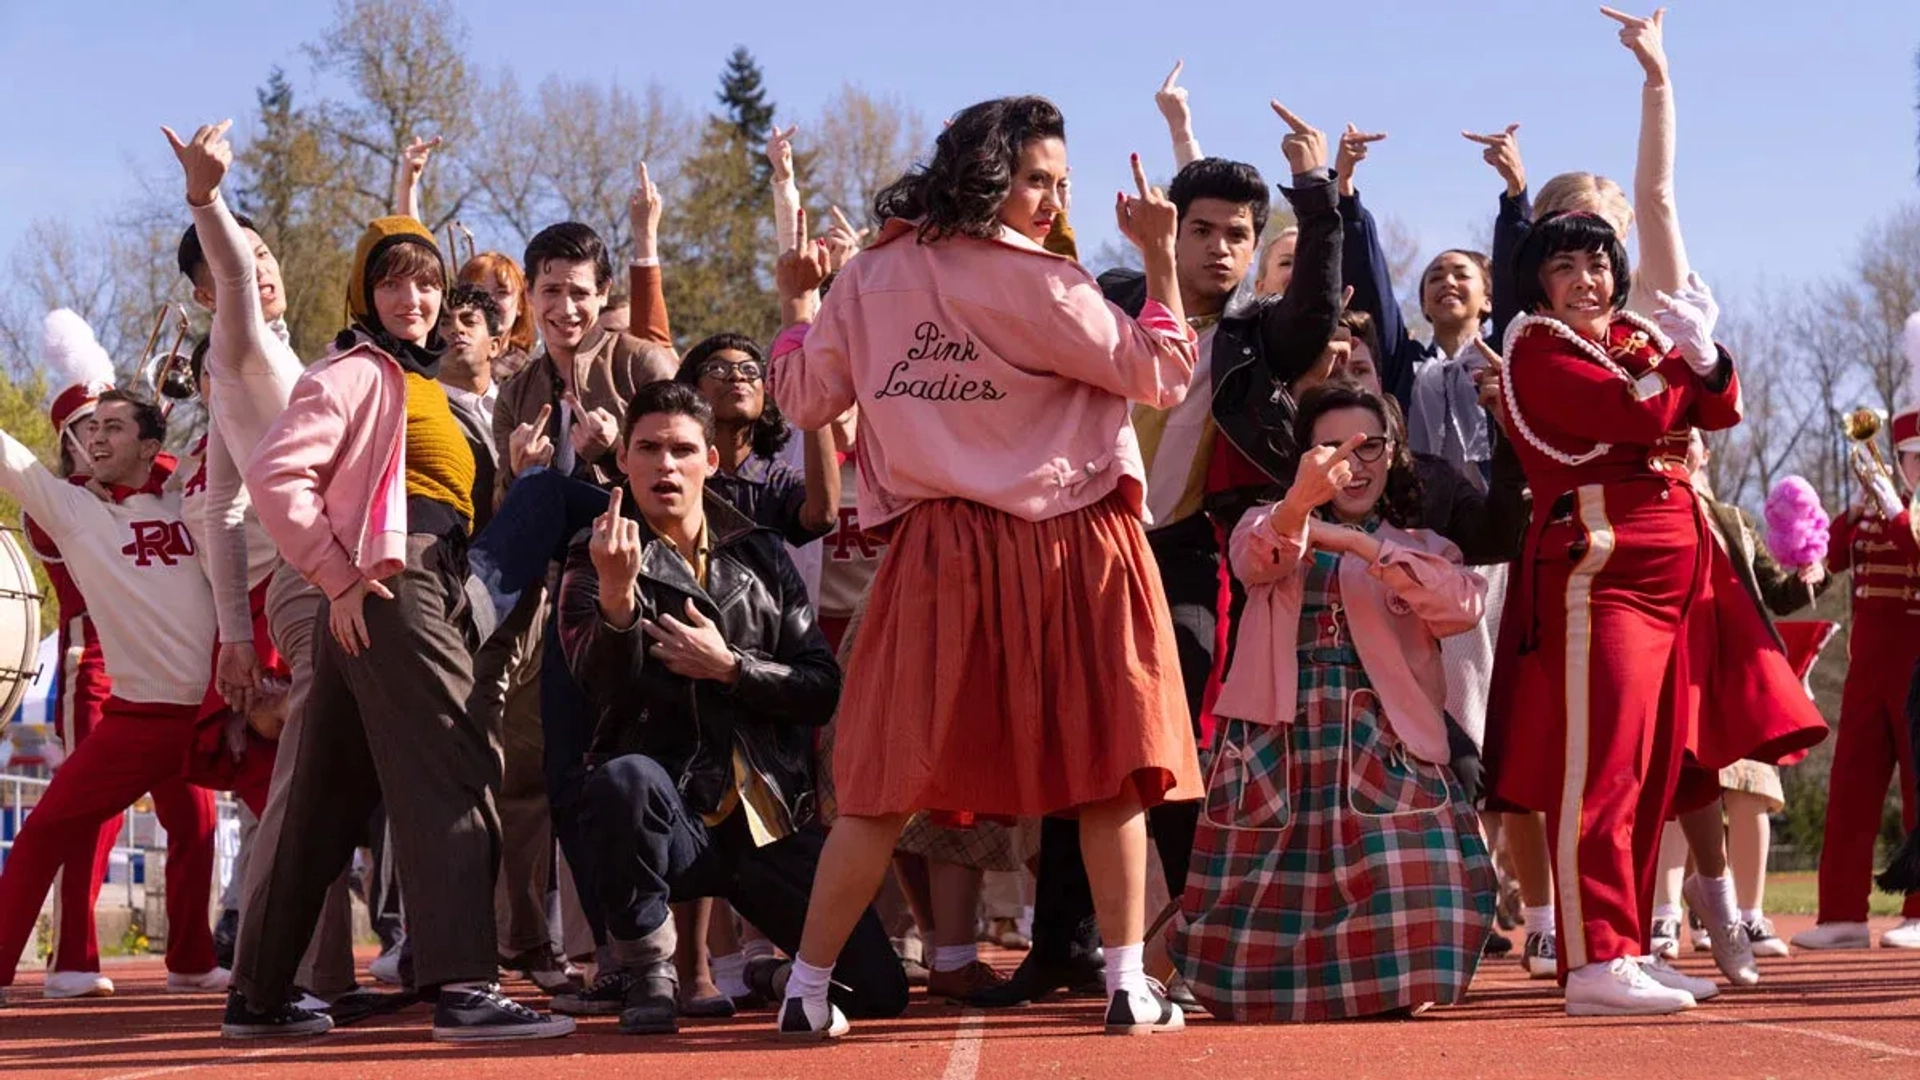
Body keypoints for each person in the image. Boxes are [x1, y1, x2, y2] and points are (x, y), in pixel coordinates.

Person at [767, 94, 1203, 1039]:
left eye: (1060, 183)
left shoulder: (870, 275)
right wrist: (1162, 259)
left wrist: (799, 307)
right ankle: (1128, 985)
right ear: (989, 172)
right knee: (1111, 765)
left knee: (880, 777)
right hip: (1074, 536)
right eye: (1038, 179)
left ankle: (805, 991)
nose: (1052, 200)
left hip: (936, 547)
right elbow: (1163, 373)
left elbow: (803, 399)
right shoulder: (1046, 282)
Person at [976, 92, 1344, 1012]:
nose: (1221, 247)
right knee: (1074, 744)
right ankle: (1059, 942)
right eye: (1204, 229)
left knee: (1165, 734)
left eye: (1240, 235)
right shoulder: (1106, 303)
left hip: (1183, 559)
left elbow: (1317, 303)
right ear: (1170, 233)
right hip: (1073, 544)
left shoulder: (1261, 338)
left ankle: (1188, 940)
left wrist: (1316, 191)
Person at [234, 214, 571, 1042]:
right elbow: (277, 477)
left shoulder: (424, 384)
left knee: (325, 799)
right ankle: (465, 986)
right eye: (392, 281)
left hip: (410, 583)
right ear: (363, 293)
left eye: (427, 282)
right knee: (454, 765)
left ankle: (260, 994)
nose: (414, 297)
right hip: (394, 584)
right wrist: (337, 576)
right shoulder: (356, 369)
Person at [1486, 210, 1820, 1016]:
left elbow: (1717, 411)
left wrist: (1709, 362)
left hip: (1676, 569)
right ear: (1539, 282)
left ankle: (1629, 943)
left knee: (1655, 769)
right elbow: (1636, 414)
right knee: (1602, 765)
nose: (1586, 280)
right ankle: (1594, 958)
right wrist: (1691, 370)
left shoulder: (1632, 337)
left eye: (1598, 264)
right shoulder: (1535, 347)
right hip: (1599, 565)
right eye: (1565, 266)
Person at [558, 380, 907, 1034]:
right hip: (673, 815)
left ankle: (770, 973)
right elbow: (596, 688)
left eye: (683, 449)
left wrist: (730, 667)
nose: (666, 465)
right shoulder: (594, 551)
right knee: (620, 781)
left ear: (710, 461)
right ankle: (647, 975)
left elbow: (821, 686)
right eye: (649, 449)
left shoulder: (761, 551)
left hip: (766, 819)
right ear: (624, 462)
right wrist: (615, 600)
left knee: (878, 991)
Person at [1175, 385, 1494, 1019]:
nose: (1355, 459)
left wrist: (1356, 543)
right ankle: (1275, 995)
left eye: (1370, 444)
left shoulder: (1423, 543)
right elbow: (1256, 559)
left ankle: (1385, 988)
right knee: (1264, 884)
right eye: (1332, 446)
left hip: (1386, 731)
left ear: (1394, 454)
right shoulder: (1267, 523)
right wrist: (1299, 506)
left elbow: (1462, 605)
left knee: (1407, 878)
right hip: (1279, 732)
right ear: (1305, 460)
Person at [166, 118, 372, 1012]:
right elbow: (238, 279)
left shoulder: (274, 361)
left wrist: (235, 638)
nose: (259, 264)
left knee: (337, 772)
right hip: (314, 579)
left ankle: (316, 976)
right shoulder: (241, 349)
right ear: (210, 296)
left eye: (262, 248)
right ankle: (265, 982)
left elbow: (221, 506)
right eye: (236, 262)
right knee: (313, 772)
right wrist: (208, 200)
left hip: (337, 573)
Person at [0, 376, 242, 1006]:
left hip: (217, 705)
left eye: (110, 426)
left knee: (254, 821)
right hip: (132, 706)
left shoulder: (186, 492)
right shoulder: (71, 508)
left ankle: (227, 963)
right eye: (86, 428)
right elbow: (14, 463)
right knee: (54, 825)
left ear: (150, 441)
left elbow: (237, 441)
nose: (94, 437)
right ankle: (46, 961)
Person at [1648, 430, 1831, 965]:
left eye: (1695, 438)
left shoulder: (1734, 519)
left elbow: (1776, 592)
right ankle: (1666, 914)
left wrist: (1806, 577)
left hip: (1739, 668)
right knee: (1680, 793)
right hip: (1679, 668)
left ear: (1707, 452)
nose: (1686, 444)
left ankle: (1748, 914)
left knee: (1753, 788)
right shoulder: (1650, 506)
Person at [1797, 382, 1920, 951]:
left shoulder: (1905, 515)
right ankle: (1841, 914)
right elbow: (1827, 559)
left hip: (1917, 671)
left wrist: (1895, 507)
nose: (1917, 466)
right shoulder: (1880, 513)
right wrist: (1851, 509)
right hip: (1867, 671)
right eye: (1911, 457)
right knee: (1851, 788)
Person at [673, 333, 837, 545]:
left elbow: (820, 517)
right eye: (717, 368)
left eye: (750, 370)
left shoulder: (776, 481)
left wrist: (814, 403)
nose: (737, 376)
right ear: (691, 389)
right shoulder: (675, 470)